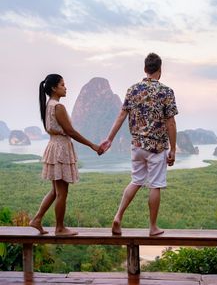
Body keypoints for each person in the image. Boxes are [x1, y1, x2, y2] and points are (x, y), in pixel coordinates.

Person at [100, 53, 178, 236]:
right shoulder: (166, 91)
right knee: (155, 185)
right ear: (160, 70)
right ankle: (152, 227)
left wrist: (109, 139)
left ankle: (118, 216)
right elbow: (171, 123)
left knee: (136, 181)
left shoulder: (132, 90)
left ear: (145, 69)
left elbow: (121, 116)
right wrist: (173, 149)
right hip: (157, 147)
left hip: (137, 145)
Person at [29, 74, 102, 236]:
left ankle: (37, 219)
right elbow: (70, 131)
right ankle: (60, 228)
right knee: (62, 192)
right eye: (62, 84)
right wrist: (92, 145)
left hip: (54, 146)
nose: (65, 87)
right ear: (54, 88)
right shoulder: (58, 107)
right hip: (61, 149)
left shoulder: (49, 105)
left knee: (55, 191)